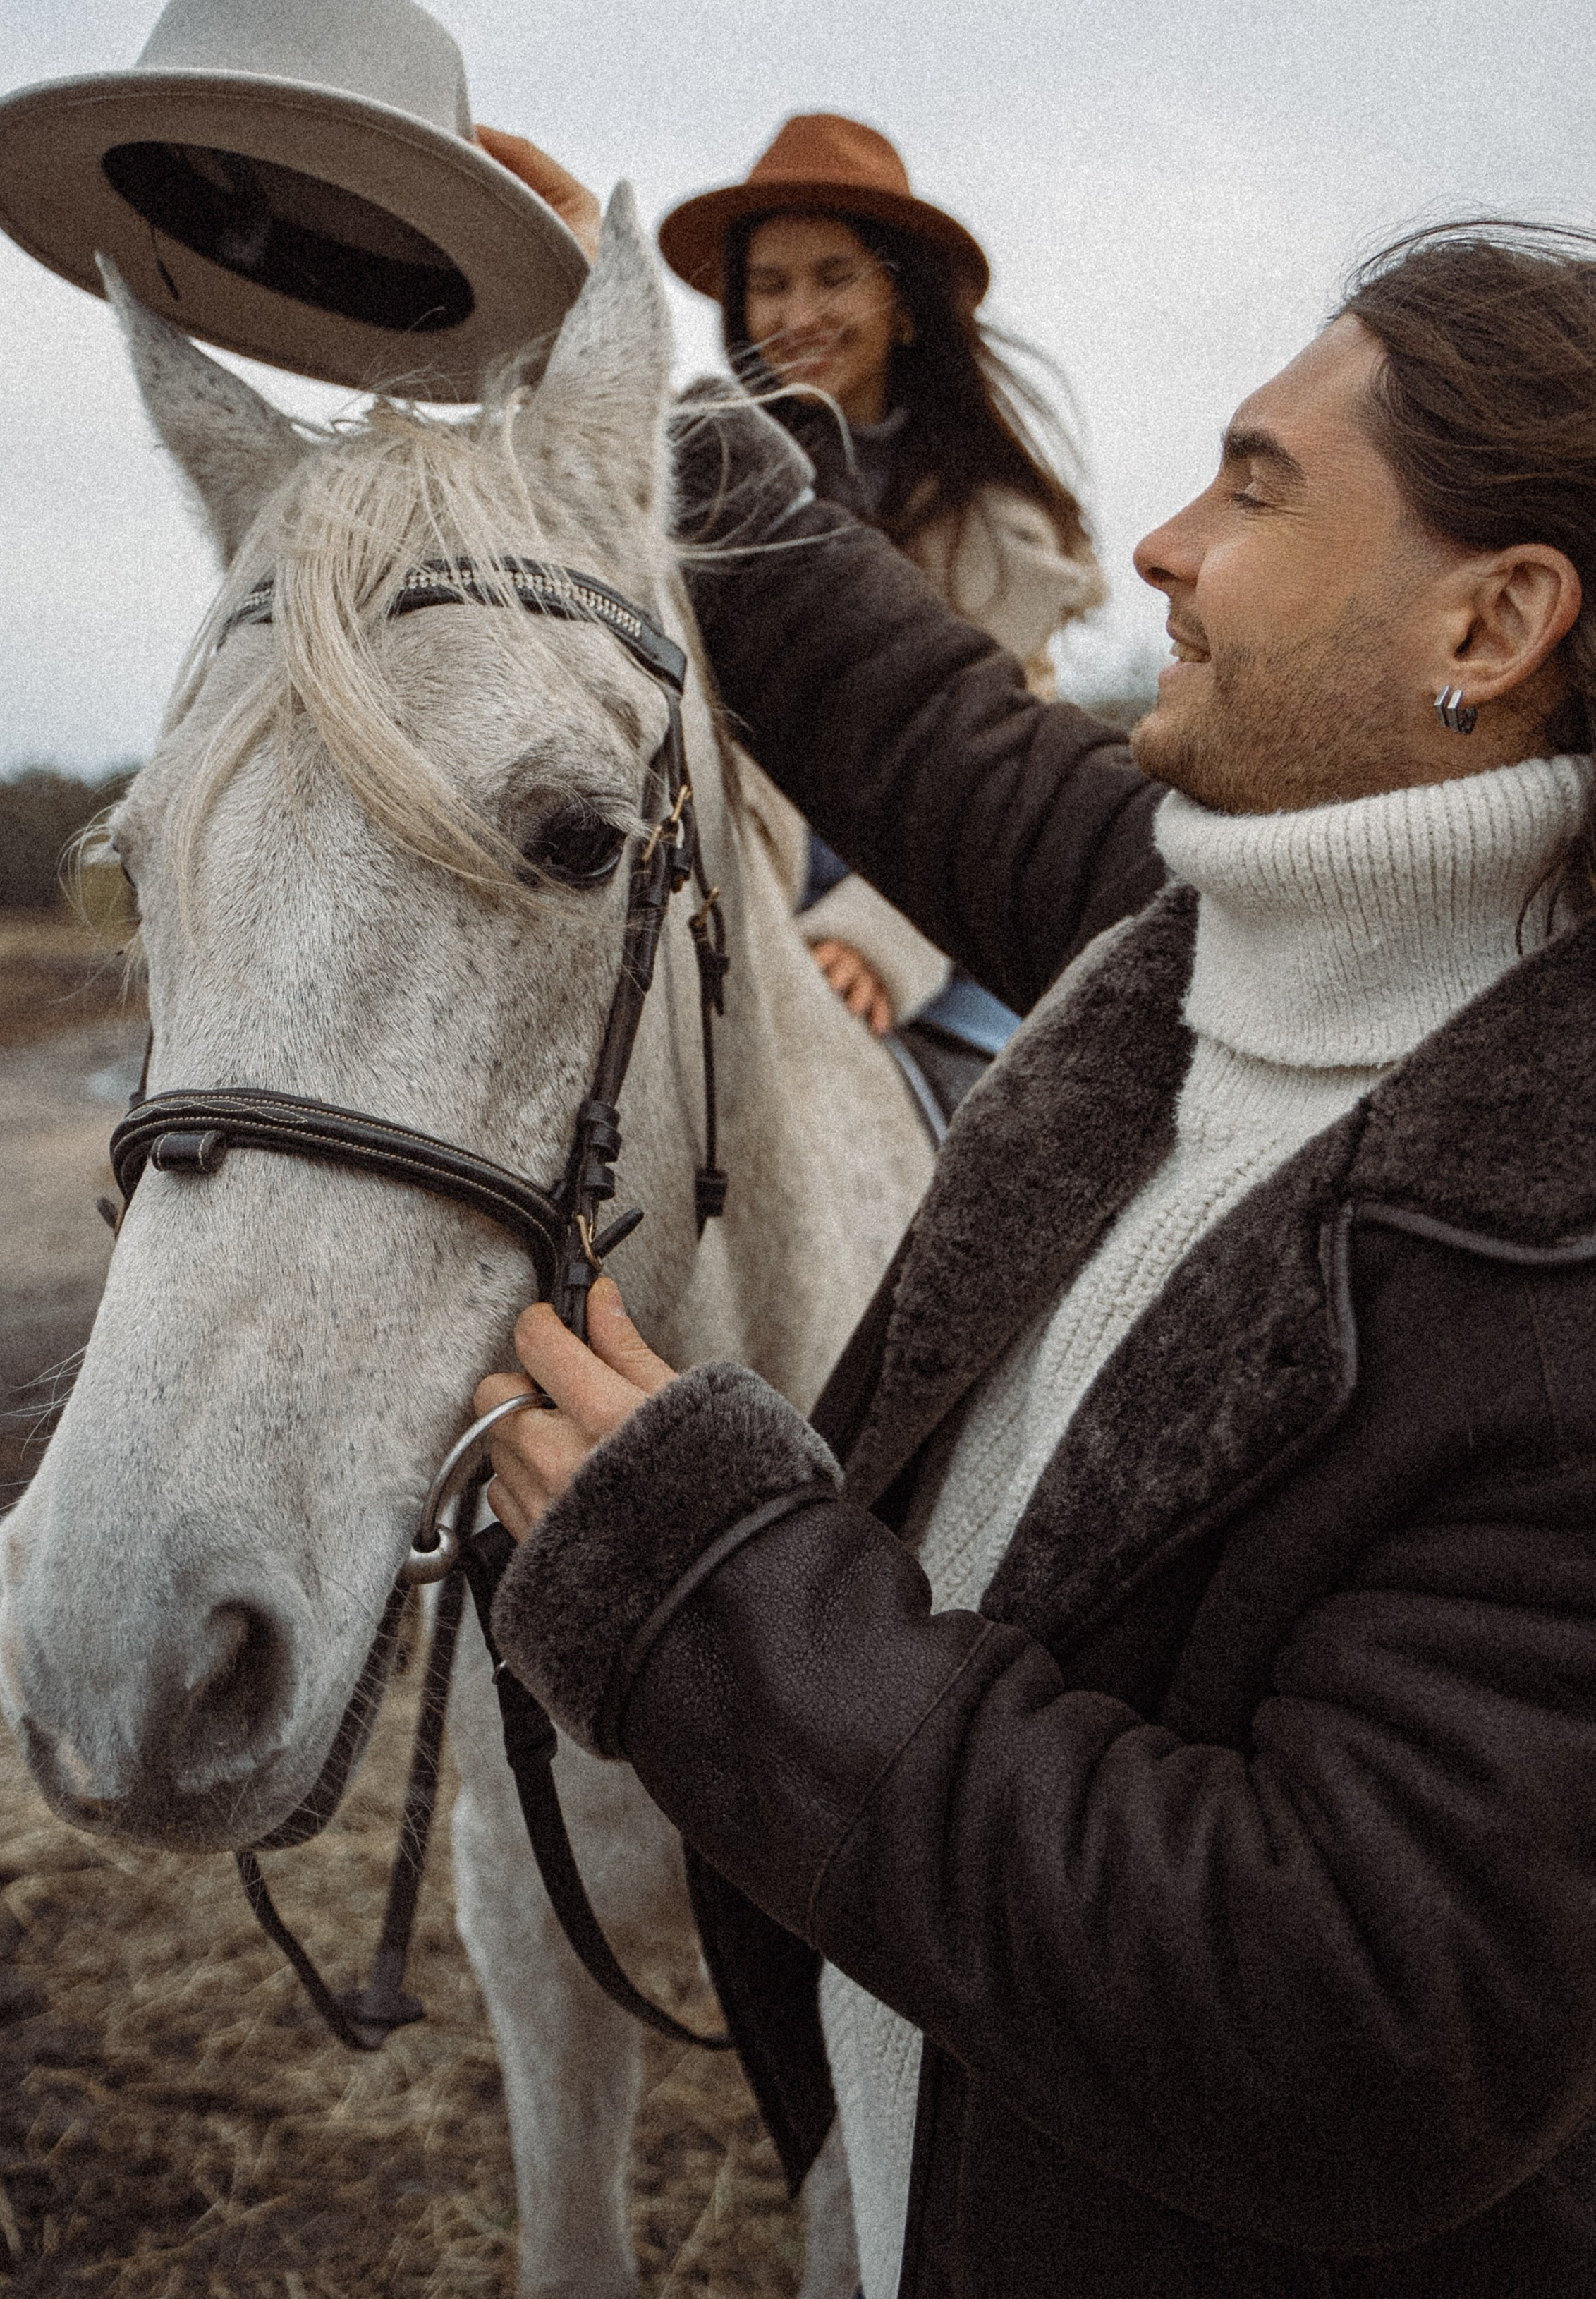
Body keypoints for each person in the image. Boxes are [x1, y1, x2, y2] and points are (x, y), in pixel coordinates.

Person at [467, 197, 1596, 2296]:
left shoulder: (1561, 1260)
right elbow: (910, 713)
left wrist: (712, 1592)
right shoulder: (1211, 941)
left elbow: (1350, 2018)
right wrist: (579, 324)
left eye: (1255, 483)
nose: (1163, 544)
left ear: (1493, 620)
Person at [655, 114, 1104, 1096]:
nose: (796, 311)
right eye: (768, 285)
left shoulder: (999, 536)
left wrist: (877, 944)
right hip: (728, 890)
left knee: (1014, 1129)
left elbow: (995, 761)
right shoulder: (690, 487)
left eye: (833, 276)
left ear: (904, 306)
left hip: (929, 913)